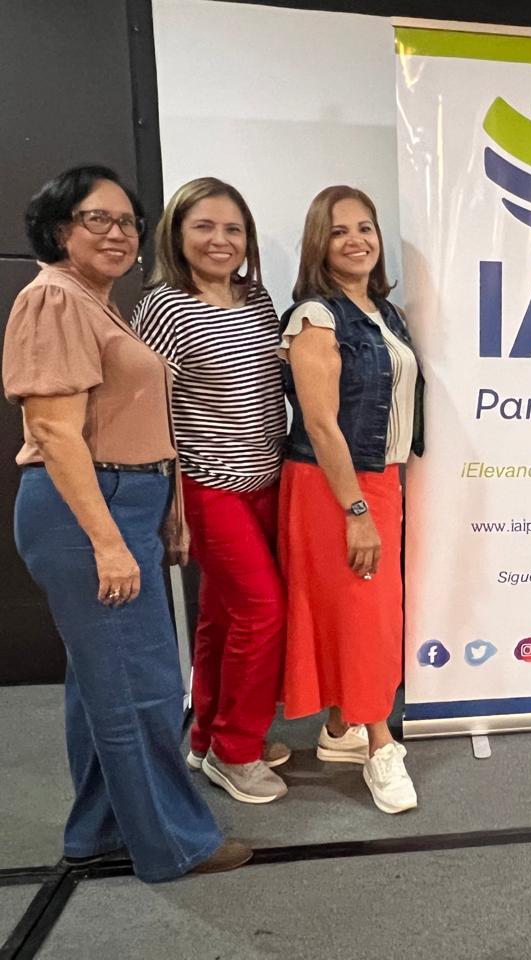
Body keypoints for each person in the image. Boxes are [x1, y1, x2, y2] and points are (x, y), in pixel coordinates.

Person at [3, 165, 249, 879]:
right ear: (59, 229)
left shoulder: (97, 303)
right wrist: (108, 542)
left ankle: (100, 828)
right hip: (89, 510)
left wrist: (163, 508)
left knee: (101, 684)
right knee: (142, 688)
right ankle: (174, 842)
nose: (116, 233)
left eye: (127, 222)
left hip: (123, 500)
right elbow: (56, 432)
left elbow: (128, 418)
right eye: (96, 219)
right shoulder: (55, 298)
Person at [132, 177, 290, 805]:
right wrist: (167, 503)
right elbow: (147, 408)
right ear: (177, 233)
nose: (220, 240)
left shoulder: (257, 296)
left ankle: (206, 736)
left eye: (233, 229)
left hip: (267, 478)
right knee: (262, 610)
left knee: (223, 615)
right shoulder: (165, 306)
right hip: (207, 484)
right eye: (204, 226)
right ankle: (236, 750)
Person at [277, 185, 423, 812]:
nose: (357, 240)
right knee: (365, 618)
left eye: (365, 227)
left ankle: (341, 728)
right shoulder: (317, 317)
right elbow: (320, 423)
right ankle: (380, 746)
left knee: (364, 614)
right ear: (320, 242)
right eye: (339, 231)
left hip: (380, 481)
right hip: (334, 487)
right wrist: (356, 509)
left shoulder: (385, 313)